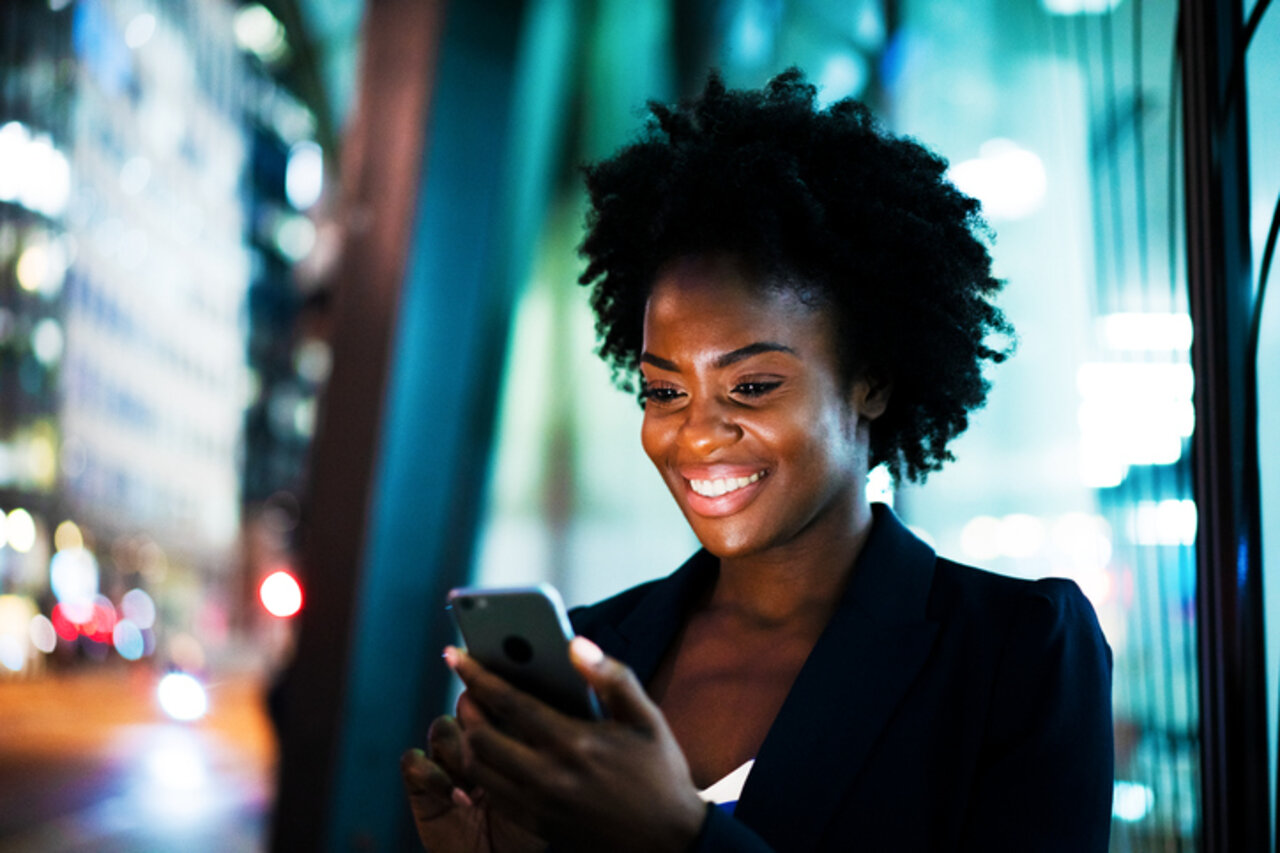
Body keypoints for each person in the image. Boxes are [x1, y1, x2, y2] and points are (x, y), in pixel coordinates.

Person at [400, 68, 1113, 852]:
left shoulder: (1015, 653)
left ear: (870, 380)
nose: (697, 435)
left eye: (753, 385)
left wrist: (682, 834)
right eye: (665, 391)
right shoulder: (598, 649)